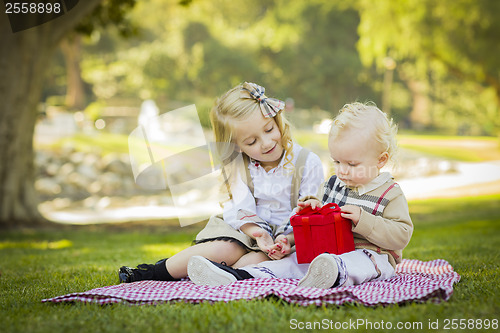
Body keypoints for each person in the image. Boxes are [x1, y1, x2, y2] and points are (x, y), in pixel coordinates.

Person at [187, 101, 413, 289]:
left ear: (381, 160)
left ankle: (332, 274)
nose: (342, 170)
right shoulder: (334, 185)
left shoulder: (389, 193)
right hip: (327, 252)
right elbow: (320, 224)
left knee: (356, 262)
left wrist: (364, 221)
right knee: (292, 261)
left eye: (352, 164)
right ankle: (238, 276)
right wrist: (291, 238)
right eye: (337, 162)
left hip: (372, 255)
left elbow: (402, 235)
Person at [119, 82, 324, 283]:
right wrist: (257, 233)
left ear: (277, 121)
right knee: (224, 248)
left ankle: (221, 273)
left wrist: (284, 241)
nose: (266, 142)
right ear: (236, 147)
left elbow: (310, 213)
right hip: (247, 230)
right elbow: (239, 207)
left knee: (253, 262)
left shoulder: (306, 162)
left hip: (290, 238)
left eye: (269, 129)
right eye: (251, 142)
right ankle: (151, 273)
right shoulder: (239, 167)